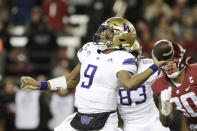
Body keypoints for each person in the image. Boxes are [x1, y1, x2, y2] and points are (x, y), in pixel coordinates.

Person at [21, 17, 168, 131]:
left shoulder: (123, 57)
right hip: (82, 116)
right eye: (104, 30)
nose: (103, 34)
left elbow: (128, 84)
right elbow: (71, 81)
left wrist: (155, 66)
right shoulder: (89, 49)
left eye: (109, 32)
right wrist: (39, 84)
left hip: (104, 120)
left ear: (121, 38)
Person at [117, 40, 170, 131]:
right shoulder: (110, 73)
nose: (128, 59)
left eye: (131, 54)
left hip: (153, 119)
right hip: (131, 124)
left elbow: (169, 77)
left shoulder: (147, 65)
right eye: (124, 55)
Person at [151, 39, 195, 130]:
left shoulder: (195, 71)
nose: (169, 64)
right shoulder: (159, 84)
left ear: (181, 57)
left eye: (173, 59)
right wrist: (165, 108)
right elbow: (165, 122)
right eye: (165, 61)